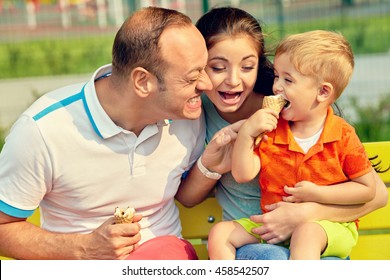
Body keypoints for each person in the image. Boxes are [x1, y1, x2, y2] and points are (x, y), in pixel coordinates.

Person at [0, 6, 235, 260]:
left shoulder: (190, 115)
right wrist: (84, 248)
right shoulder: (43, 130)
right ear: (142, 82)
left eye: (205, 69)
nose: (206, 84)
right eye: (191, 78)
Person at [176, 7, 388, 260]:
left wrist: (305, 214)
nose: (233, 80)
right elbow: (191, 197)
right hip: (256, 235)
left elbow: (376, 195)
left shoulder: (294, 115)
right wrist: (213, 163)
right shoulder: (195, 113)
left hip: (315, 233)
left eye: (247, 66)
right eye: (218, 67)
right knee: (271, 258)